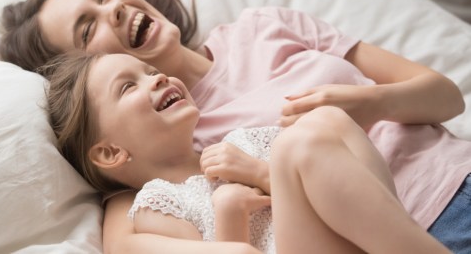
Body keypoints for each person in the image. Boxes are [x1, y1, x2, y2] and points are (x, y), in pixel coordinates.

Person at [0, 0, 471, 253]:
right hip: (413, 227)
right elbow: (131, 238)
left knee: (323, 125)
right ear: (84, 69)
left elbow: (446, 96)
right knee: (308, 141)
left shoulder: (264, 25)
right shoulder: (166, 142)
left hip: (459, 172)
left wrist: (371, 102)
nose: (113, 10)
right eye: (87, 30)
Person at [42, 51, 450, 254]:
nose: (157, 76)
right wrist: (229, 210)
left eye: (149, 71)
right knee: (302, 142)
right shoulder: (157, 206)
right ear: (111, 152)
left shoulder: (243, 144)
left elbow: (332, 193)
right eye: (128, 87)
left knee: (325, 121)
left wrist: (258, 173)